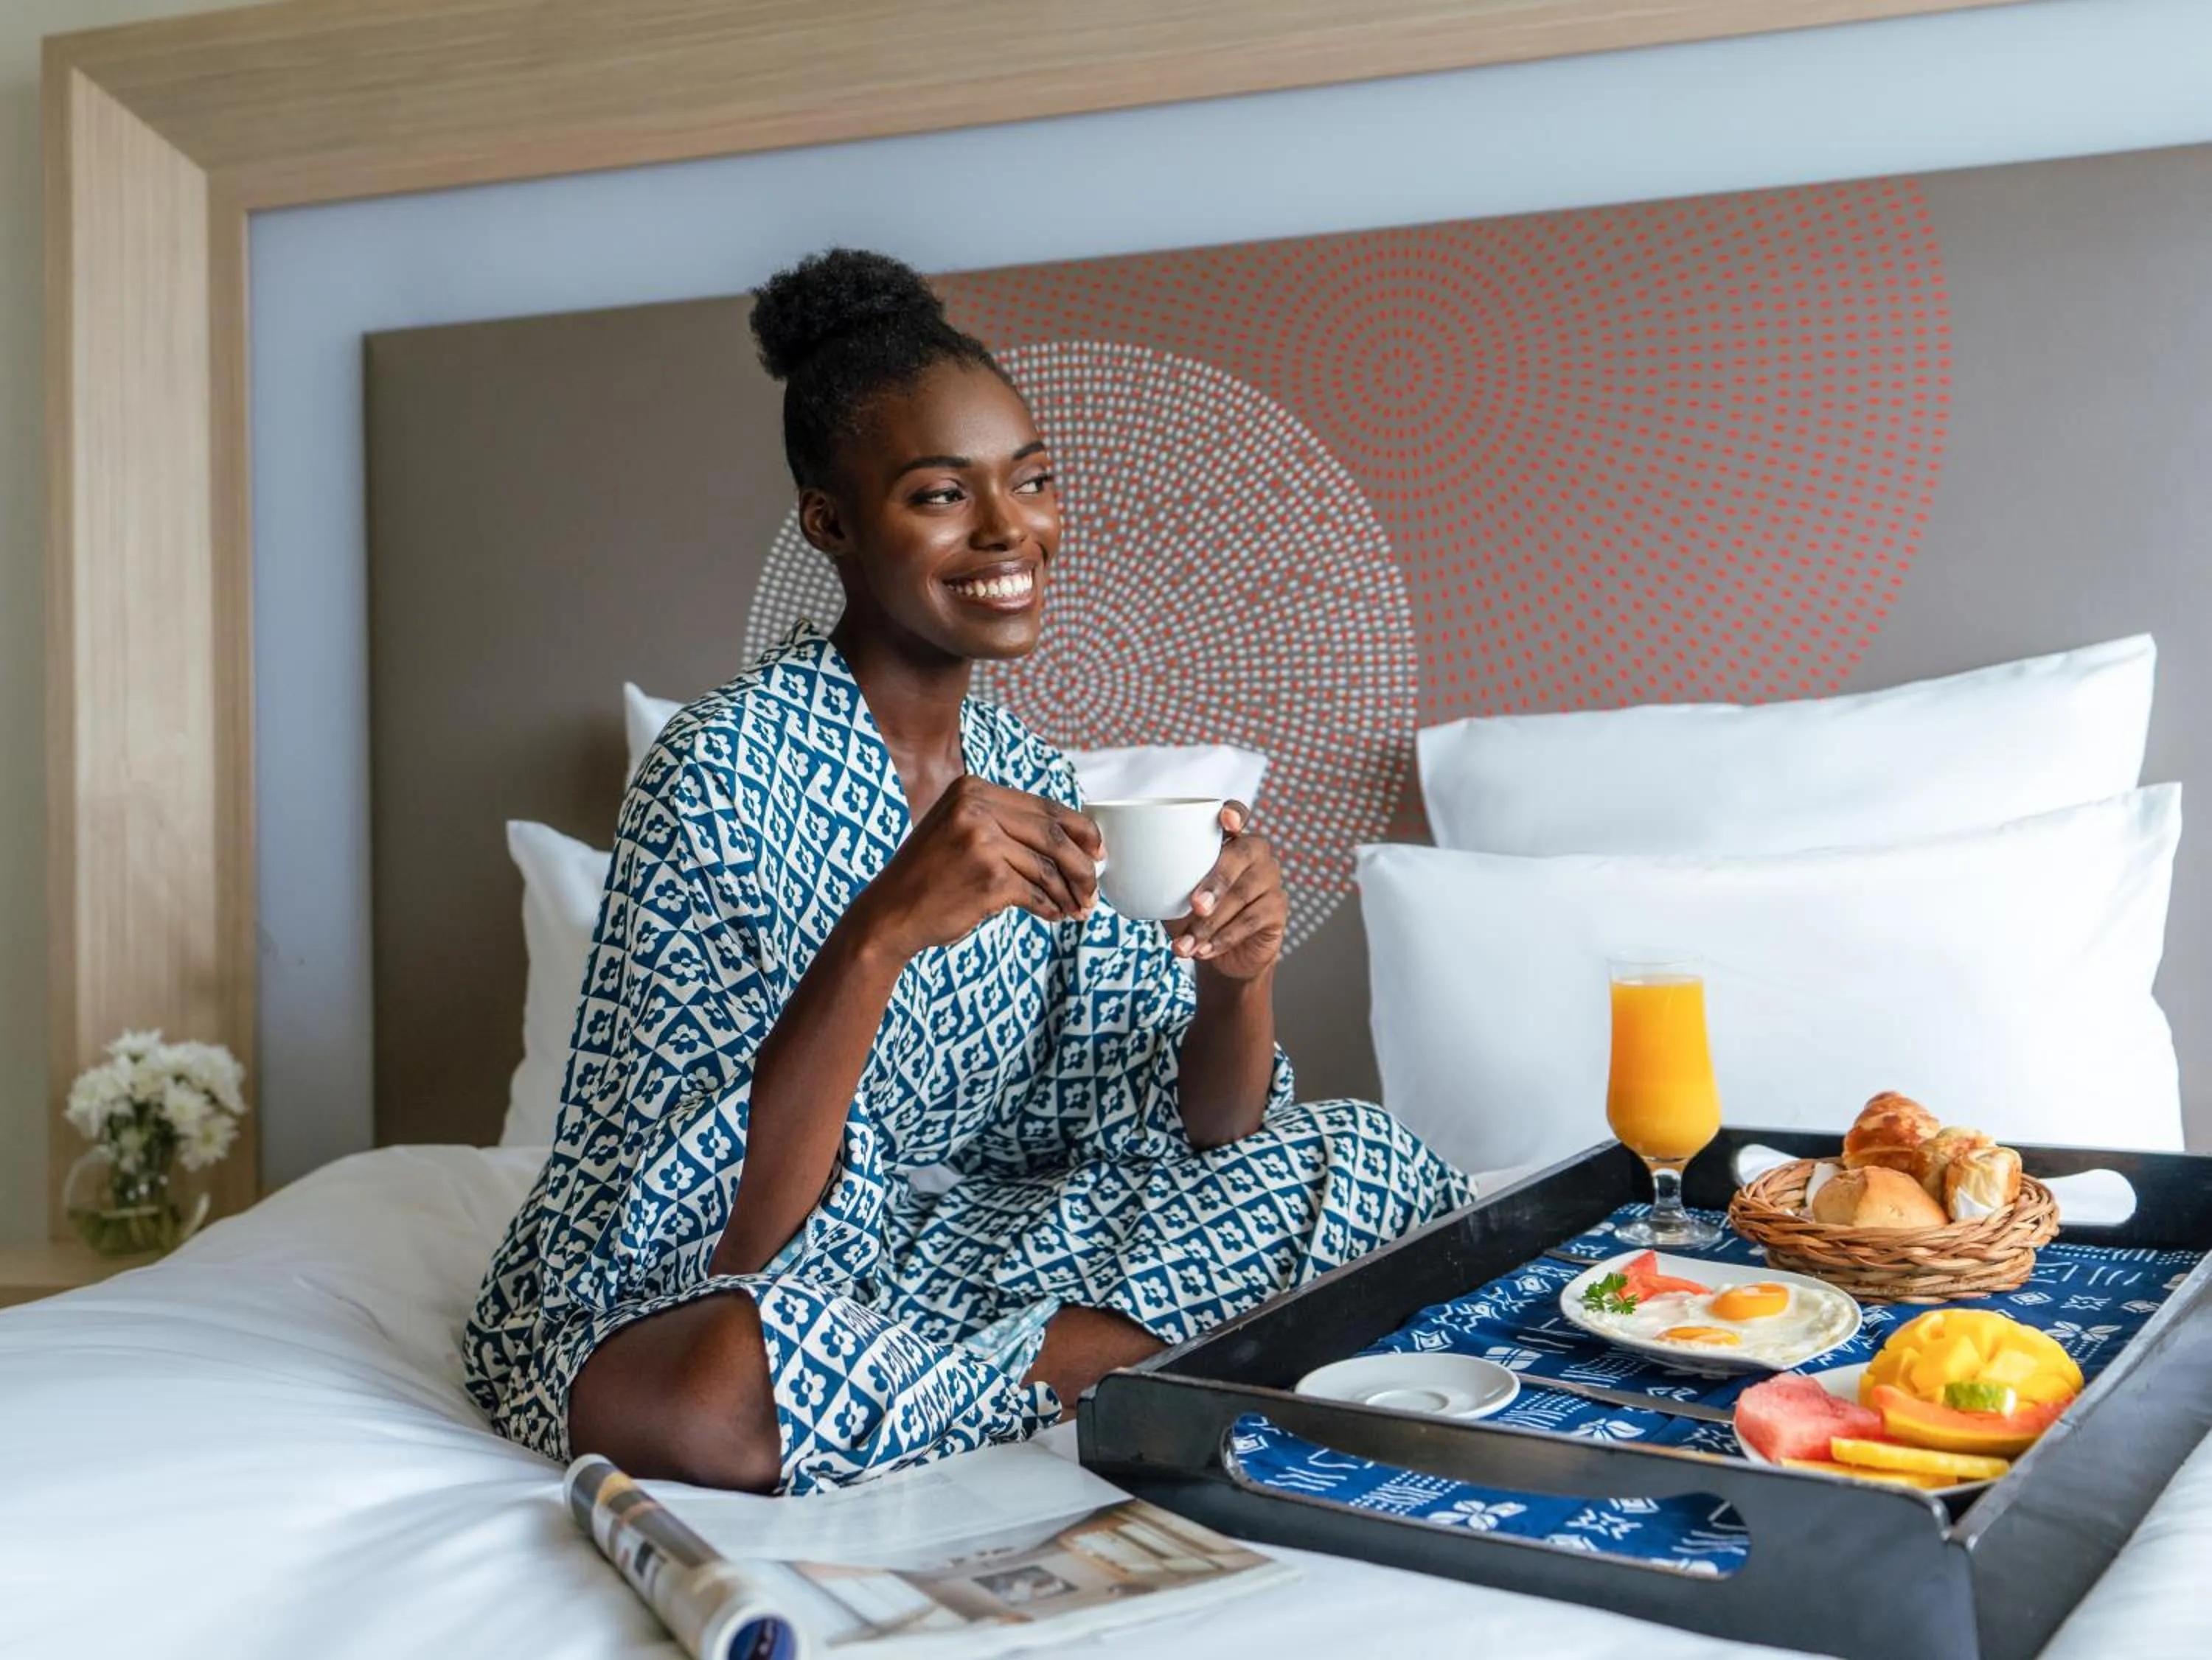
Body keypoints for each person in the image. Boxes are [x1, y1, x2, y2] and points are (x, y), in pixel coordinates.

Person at [462, 248, 1476, 1495]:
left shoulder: (1028, 781)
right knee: (717, 1389)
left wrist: (1236, 973)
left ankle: (1035, 1374)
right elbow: (731, 1242)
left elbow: (1196, 1134)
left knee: (1369, 1166)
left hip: (935, 1258)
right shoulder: (716, 773)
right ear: (830, 522)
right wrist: (881, 932)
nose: (1010, 530)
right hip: (700, 1294)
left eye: (1032, 480)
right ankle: (1124, 1368)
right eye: (943, 494)